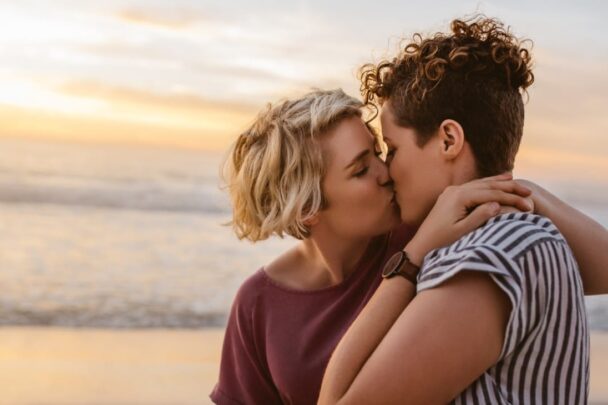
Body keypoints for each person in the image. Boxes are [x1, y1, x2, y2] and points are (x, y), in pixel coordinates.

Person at [210, 89, 608, 403]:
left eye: (381, 152)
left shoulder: (435, 230)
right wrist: (412, 257)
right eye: (362, 168)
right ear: (307, 208)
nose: (387, 173)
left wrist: (508, 189)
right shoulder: (257, 304)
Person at [318, 16, 605, 404]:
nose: (387, 169)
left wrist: (411, 257)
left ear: (449, 139)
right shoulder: (512, 238)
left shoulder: (492, 253)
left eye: (393, 148)